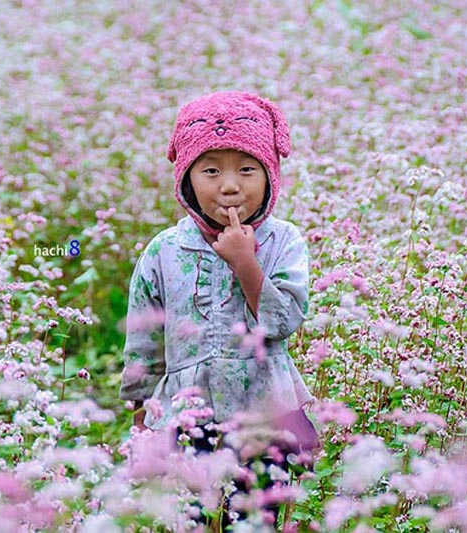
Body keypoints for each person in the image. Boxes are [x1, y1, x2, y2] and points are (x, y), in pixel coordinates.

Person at [119, 91, 318, 527]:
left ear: (270, 176)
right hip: (188, 416)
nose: (229, 186)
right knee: (191, 516)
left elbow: (283, 321)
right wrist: (139, 414)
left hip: (265, 414)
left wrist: (245, 261)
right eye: (211, 171)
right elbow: (144, 337)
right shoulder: (163, 250)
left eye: (247, 170)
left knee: (256, 518)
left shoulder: (284, 242)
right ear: (186, 180)